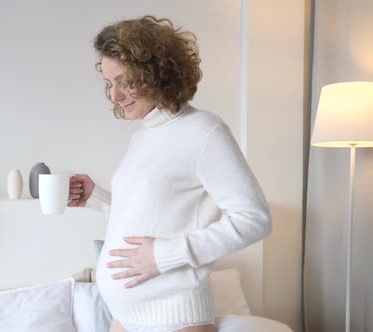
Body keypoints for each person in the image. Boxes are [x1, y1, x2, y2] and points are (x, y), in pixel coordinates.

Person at [67, 16, 272, 332]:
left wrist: (165, 255)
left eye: (126, 81)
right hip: (123, 320)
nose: (116, 96)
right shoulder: (143, 136)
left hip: (175, 321)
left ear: (157, 73)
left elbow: (254, 219)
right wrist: (97, 199)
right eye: (110, 83)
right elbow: (148, 216)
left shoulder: (204, 131)